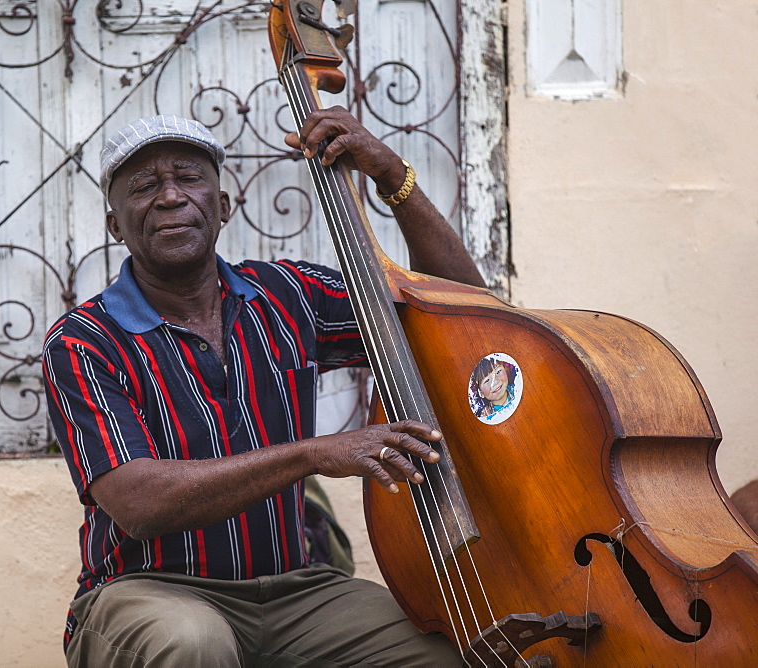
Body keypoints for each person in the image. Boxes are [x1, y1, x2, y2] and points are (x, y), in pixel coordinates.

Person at [42, 109, 486, 666]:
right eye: (145, 186)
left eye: (189, 177)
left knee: (447, 646)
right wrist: (315, 454)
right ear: (116, 225)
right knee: (192, 643)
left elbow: (462, 314)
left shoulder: (287, 293)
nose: (171, 197)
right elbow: (140, 502)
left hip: (293, 591)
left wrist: (392, 177)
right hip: (145, 592)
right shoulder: (84, 342)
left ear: (223, 207)